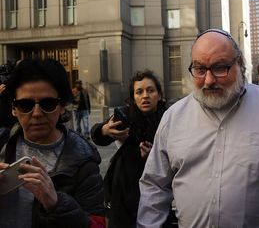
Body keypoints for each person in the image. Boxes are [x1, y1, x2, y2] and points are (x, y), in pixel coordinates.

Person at [137, 29, 259, 228]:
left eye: (220, 68)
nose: (209, 80)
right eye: (200, 69)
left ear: (240, 65)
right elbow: (154, 185)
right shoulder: (173, 118)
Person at [0, 59, 105, 227]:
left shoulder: (84, 161)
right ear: (13, 108)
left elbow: (98, 224)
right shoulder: (2, 144)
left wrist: (56, 204)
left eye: (47, 104)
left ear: (62, 106)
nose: (36, 113)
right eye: (25, 104)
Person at [91, 70, 167, 228]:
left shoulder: (168, 118)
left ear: (159, 95)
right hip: (123, 191)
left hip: (158, 192)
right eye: (139, 92)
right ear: (133, 97)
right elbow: (97, 136)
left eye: (150, 90)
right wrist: (105, 129)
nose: (145, 96)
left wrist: (153, 157)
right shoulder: (126, 115)